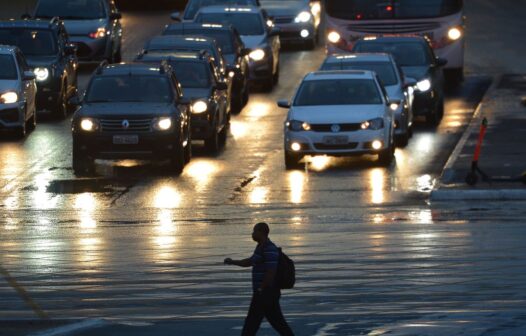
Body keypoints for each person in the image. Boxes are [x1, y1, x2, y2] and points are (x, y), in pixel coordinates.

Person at [224, 222, 294, 336]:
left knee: (251, 325)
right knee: (278, 324)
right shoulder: (261, 247)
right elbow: (250, 262)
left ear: (261, 232)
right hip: (266, 293)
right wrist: (232, 262)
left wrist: (261, 289)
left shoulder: (269, 248)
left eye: (254, 231)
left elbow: (271, 272)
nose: (252, 234)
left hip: (266, 293)